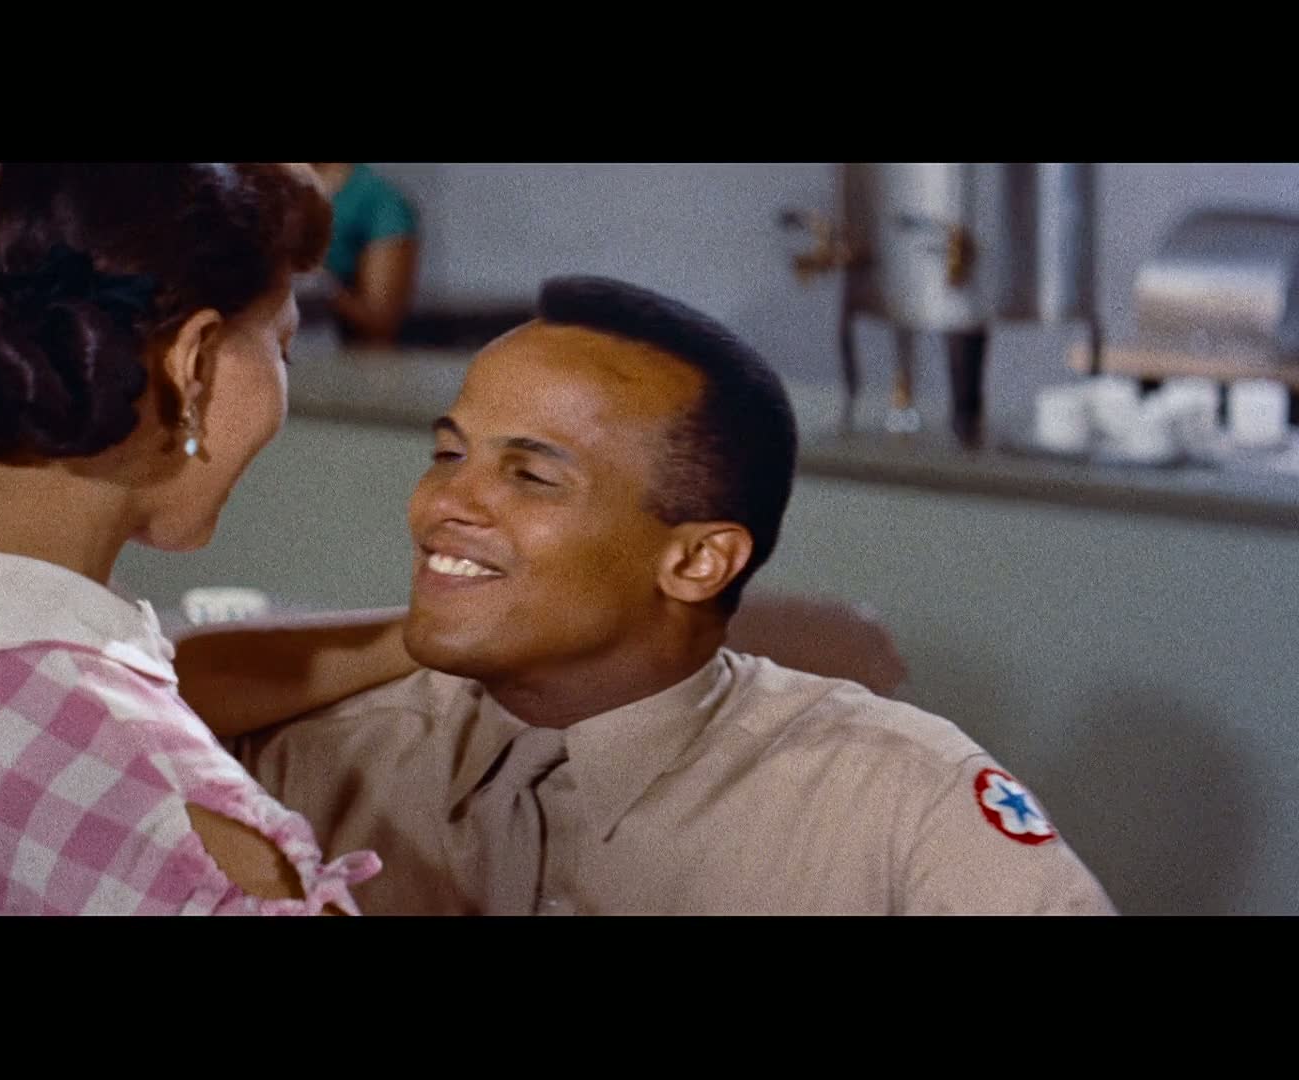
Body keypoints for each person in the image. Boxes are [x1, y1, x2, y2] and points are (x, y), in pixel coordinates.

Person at [209, 275, 1116, 915]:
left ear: (698, 562)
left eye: (531, 476)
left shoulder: (898, 806)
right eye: (448, 453)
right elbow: (135, 680)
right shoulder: (312, 757)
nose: (442, 503)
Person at [0, 163, 414, 915]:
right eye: (279, 349)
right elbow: (124, 728)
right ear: (193, 363)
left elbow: (165, 677)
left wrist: (417, 638)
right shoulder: (188, 833)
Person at [305, 163, 419, 346]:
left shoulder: (380, 202)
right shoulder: (270, 190)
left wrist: (321, 286)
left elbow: (381, 321)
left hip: (343, 350)